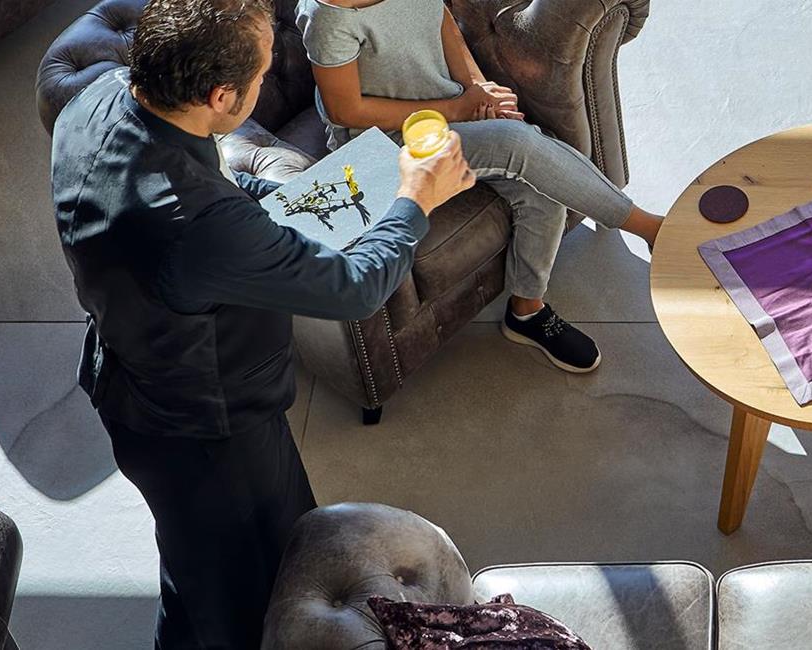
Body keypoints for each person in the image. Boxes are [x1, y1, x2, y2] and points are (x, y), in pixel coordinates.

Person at [48, 0, 476, 646]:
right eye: (264, 72)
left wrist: (259, 203)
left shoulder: (94, 101)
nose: (273, 73)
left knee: (193, 574)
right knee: (269, 602)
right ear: (222, 96)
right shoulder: (197, 228)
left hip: (129, 391)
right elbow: (355, 287)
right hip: (215, 444)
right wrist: (416, 200)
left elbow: (197, 190)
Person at [298, 0, 664, 373]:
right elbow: (346, 111)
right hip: (386, 144)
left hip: (441, 109)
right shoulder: (328, 16)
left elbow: (440, 17)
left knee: (541, 184)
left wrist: (478, 85)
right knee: (516, 142)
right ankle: (651, 229)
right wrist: (458, 108)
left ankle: (526, 311)